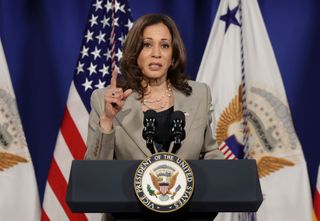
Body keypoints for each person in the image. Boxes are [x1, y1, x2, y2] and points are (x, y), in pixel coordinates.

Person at [85, 13, 223, 160]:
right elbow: (95, 171)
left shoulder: (199, 95)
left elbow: (210, 153)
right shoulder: (104, 100)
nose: (156, 54)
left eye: (164, 45)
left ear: (173, 56)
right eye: (147, 45)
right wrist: (107, 119)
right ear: (135, 53)